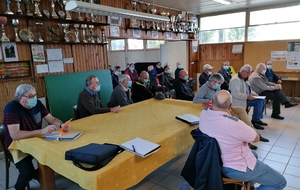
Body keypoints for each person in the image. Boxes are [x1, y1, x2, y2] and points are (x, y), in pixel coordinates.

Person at [199, 90, 286, 190]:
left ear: (212, 102)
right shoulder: (234, 124)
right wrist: (235, 117)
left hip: (214, 162)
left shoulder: (204, 114)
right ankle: (251, 180)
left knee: (254, 154)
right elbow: (256, 138)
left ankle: (251, 186)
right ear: (230, 106)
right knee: (280, 182)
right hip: (235, 168)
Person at [3, 84, 71, 190]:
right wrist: (41, 131)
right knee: (27, 172)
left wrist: (62, 125)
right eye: (30, 96)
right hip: (15, 146)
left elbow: (52, 119)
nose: (34, 98)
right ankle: (19, 187)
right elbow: (15, 135)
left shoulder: (38, 104)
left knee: (53, 157)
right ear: (20, 98)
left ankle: (41, 176)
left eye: (35, 95)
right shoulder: (11, 108)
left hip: (35, 141)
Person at [193, 73, 269, 145]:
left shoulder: (216, 87)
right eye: (219, 83)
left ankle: (252, 130)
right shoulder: (205, 88)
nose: (219, 85)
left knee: (241, 109)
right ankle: (246, 139)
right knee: (235, 116)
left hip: (223, 106)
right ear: (213, 82)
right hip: (217, 108)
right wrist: (209, 101)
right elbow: (195, 100)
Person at [229, 64, 267, 130]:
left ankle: (257, 119)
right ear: (243, 72)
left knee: (262, 100)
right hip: (238, 101)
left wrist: (253, 93)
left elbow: (248, 89)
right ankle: (255, 121)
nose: (249, 75)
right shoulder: (235, 80)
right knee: (258, 102)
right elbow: (235, 93)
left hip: (244, 98)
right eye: (248, 73)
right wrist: (247, 97)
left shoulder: (244, 78)